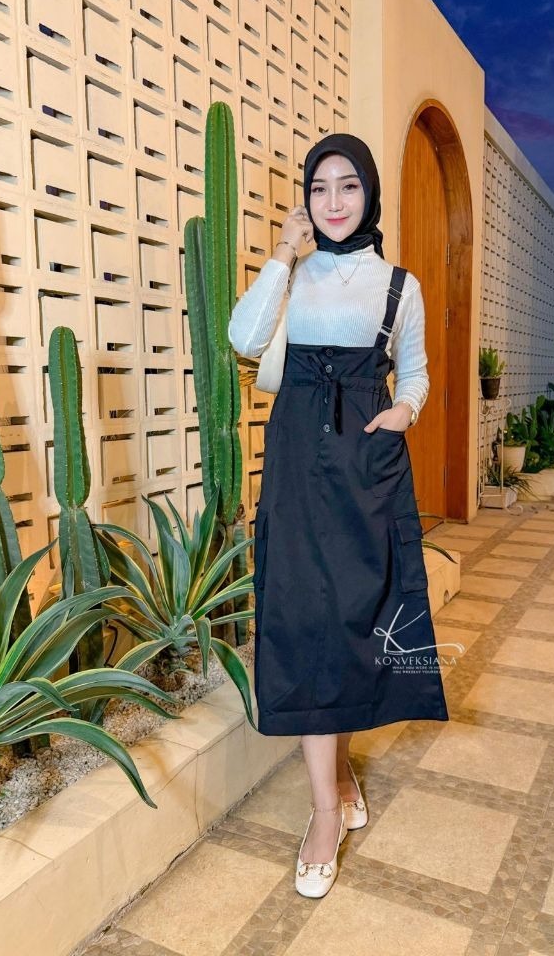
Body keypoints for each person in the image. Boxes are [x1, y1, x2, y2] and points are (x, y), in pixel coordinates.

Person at [227, 133, 449, 898]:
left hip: (365, 466)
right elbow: (244, 339)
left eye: (348, 185)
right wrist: (281, 257)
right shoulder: (293, 275)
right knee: (305, 621)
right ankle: (325, 812)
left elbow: (415, 371)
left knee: (355, 620)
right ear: (305, 199)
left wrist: (404, 411)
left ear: (369, 194)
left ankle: (341, 776)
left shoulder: (398, 286)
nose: (333, 201)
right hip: (296, 463)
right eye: (319, 187)